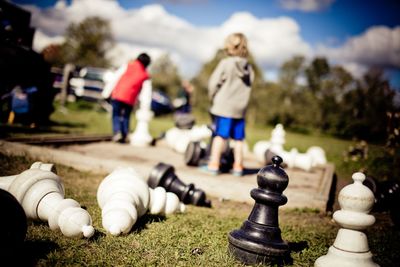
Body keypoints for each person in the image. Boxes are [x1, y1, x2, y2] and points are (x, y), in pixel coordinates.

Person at [202, 33, 254, 176]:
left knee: (220, 136)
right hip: (240, 109)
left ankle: (214, 164)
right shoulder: (249, 68)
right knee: (238, 139)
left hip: (225, 107)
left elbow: (213, 83)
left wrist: (212, 96)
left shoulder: (225, 63)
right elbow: (250, 85)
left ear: (229, 47)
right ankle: (238, 166)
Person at [109, 53, 151, 143]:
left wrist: (106, 92)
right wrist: (144, 105)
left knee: (116, 114)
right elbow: (145, 92)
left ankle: (117, 132)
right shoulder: (145, 74)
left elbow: (115, 77)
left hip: (118, 94)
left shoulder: (128, 65)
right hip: (130, 98)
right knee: (126, 116)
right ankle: (125, 134)